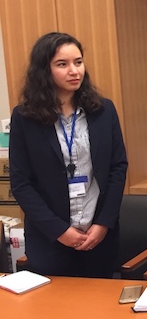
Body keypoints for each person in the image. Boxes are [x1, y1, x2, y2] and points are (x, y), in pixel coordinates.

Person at [9, 32, 128, 277]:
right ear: (44, 70)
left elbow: (118, 167)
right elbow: (21, 183)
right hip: (50, 239)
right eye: (62, 64)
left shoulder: (103, 110)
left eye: (78, 62)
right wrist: (59, 231)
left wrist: (103, 224)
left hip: (98, 236)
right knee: (55, 310)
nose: (74, 71)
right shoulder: (25, 118)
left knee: (99, 309)